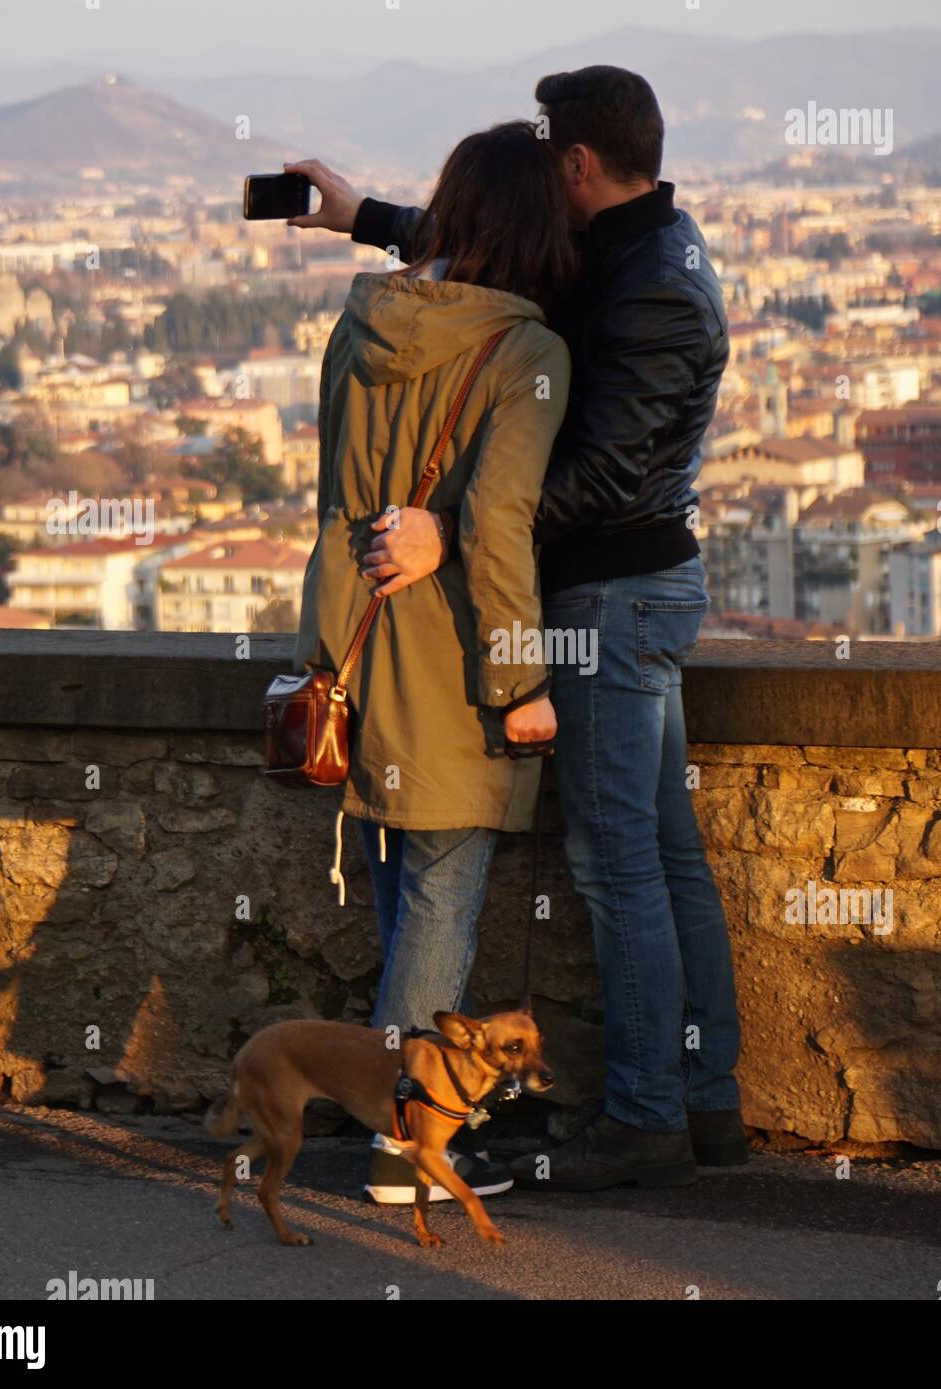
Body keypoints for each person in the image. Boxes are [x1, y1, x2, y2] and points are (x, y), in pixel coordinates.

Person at [290, 66, 745, 1193]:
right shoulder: (640, 246)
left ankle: (647, 1113)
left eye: (552, 161)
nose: (547, 186)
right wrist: (367, 218)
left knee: (617, 869)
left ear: (579, 165)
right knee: (666, 861)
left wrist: (452, 532)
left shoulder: (646, 290)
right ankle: (706, 1101)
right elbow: (498, 237)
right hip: (634, 592)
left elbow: (604, 474)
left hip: (612, 598)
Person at [288, 121, 573, 1203]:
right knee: (443, 899)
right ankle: (404, 1147)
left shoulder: (360, 326)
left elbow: (334, 498)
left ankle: (386, 1117)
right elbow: (497, 528)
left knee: (409, 891)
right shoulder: (524, 351)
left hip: (354, 643)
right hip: (451, 658)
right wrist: (524, 684)